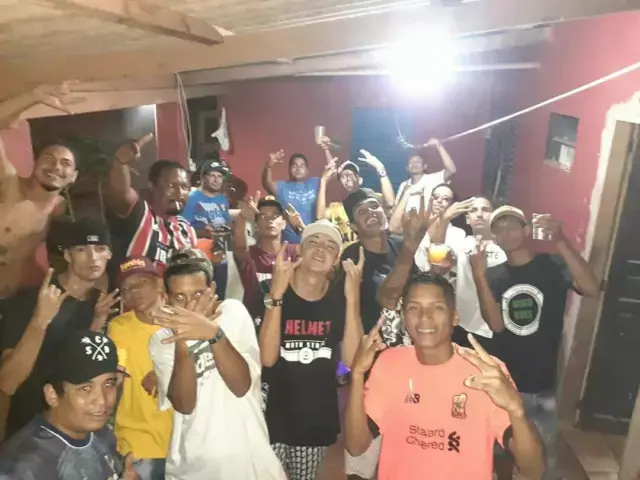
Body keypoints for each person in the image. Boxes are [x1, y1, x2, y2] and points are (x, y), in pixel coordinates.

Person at [344, 272, 545, 480]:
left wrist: (516, 410)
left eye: (437, 307)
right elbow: (356, 446)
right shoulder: (388, 363)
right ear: (403, 317)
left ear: (455, 317)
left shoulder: (486, 371)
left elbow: (534, 469)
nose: (425, 317)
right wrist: (357, 375)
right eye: (413, 308)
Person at [470, 206, 600, 480]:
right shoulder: (493, 274)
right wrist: (479, 276)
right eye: (499, 229)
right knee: (502, 450)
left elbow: (591, 288)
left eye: (512, 226)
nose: (505, 232)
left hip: (543, 379)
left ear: (527, 230)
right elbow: (496, 325)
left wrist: (561, 241)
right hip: (507, 377)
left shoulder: (552, 264)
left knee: (544, 454)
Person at [148, 248, 286, 480]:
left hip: (250, 461)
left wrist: (214, 334)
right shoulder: (161, 340)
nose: (190, 305)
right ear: (166, 298)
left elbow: (241, 386)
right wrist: (182, 342)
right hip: (194, 467)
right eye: (180, 297)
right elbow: (184, 405)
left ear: (211, 290)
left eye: (197, 294)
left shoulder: (232, 313)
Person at [258, 219, 363, 480]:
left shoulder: (340, 299)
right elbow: (267, 358)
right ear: (300, 250)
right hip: (270, 412)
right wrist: (277, 295)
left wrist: (353, 299)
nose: (320, 249)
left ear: (336, 259)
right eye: (313, 242)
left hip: (315, 416)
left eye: (330, 246)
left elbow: (351, 360)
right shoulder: (269, 290)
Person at [0, 219, 118, 438]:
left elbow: (82, 371)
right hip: (25, 432)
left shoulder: (102, 305)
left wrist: (96, 325)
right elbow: (7, 381)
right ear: (67, 255)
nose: (93, 258)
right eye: (82, 249)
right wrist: (39, 321)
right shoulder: (32, 298)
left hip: (72, 434)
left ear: (109, 254)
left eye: (100, 249)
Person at [0, 329, 139, 479]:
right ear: (52, 395)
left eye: (109, 384)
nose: (102, 401)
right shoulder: (22, 466)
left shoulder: (102, 435)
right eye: (85, 388)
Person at [0, 83, 85, 298]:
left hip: (10, 298)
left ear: (73, 176)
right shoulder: (8, 184)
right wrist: (33, 95)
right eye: (48, 159)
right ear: (35, 163)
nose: (56, 167)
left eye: (65, 163)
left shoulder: (59, 209)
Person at [108, 257, 172, 480]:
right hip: (137, 445)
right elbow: (115, 374)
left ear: (159, 283)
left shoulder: (183, 322)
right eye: (126, 288)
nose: (134, 291)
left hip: (184, 442)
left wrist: (165, 373)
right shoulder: (119, 328)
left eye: (141, 282)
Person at [106, 134, 196, 275]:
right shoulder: (141, 212)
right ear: (152, 186)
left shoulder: (186, 230)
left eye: (185, 187)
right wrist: (120, 163)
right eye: (171, 185)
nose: (179, 193)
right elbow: (122, 193)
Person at [316, 142, 395, 244]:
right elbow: (320, 218)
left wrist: (380, 168)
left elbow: (390, 203)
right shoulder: (336, 208)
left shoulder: (372, 200)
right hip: (347, 253)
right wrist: (323, 181)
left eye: (352, 174)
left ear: (360, 180)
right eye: (343, 176)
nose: (348, 177)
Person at [233, 195, 298, 318]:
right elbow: (240, 247)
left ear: (284, 224)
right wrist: (242, 218)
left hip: (289, 319)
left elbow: (317, 252)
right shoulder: (249, 254)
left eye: (275, 216)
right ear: (256, 226)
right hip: (256, 319)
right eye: (263, 216)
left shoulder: (294, 251)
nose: (270, 220)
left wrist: (300, 228)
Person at [262, 150, 320, 243]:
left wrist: (327, 149)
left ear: (307, 171)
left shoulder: (315, 183)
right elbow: (267, 183)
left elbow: (332, 173)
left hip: (312, 241)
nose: (298, 168)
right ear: (289, 169)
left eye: (302, 166)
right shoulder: (282, 186)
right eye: (294, 165)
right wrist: (268, 166)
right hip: (288, 243)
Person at [394, 139, 457, 213]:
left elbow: (451, 170)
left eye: (418, 162)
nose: (414, 164)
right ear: (407, 168)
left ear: (425, 166)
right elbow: (396, 208)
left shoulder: (433, 179)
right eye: (411, 162)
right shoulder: (403, 185)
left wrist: (439, 146)